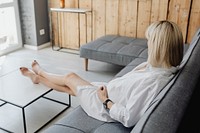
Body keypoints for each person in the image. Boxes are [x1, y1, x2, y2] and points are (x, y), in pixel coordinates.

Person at [20, 20, 183, 127]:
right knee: (70, 88)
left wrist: (106, 101)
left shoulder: (153, 82)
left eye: (150, 42)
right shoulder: (162, 68)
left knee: (70, 77)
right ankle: (37, 78)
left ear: (159, 48)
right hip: (108, 91)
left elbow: (129, 118)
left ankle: (40, 72)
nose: (147, 45)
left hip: (103, 103)